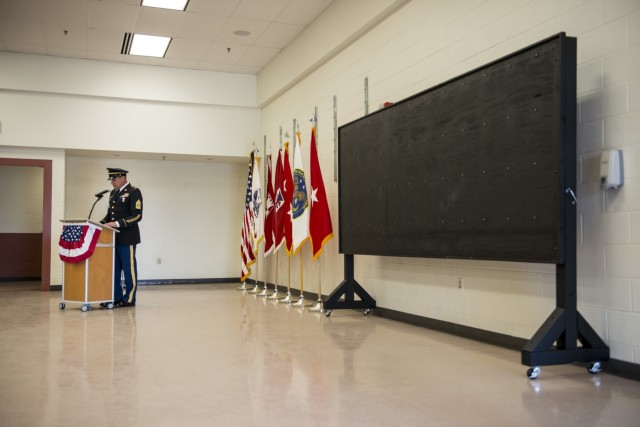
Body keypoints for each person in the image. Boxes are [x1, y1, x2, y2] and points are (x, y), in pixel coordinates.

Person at [100, 168, 143, 307]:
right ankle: (116, 297)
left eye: (114, 179)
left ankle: (129, 298)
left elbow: (137, 215)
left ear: (123, 178)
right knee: (115, 269)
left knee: (128, 269)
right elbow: (110, 215)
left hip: (127, 237)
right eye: (111, 180)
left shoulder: (134, 191)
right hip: (113, 238)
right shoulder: (113, 193)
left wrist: (117, 223)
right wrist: (100, 223)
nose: (112, 182)